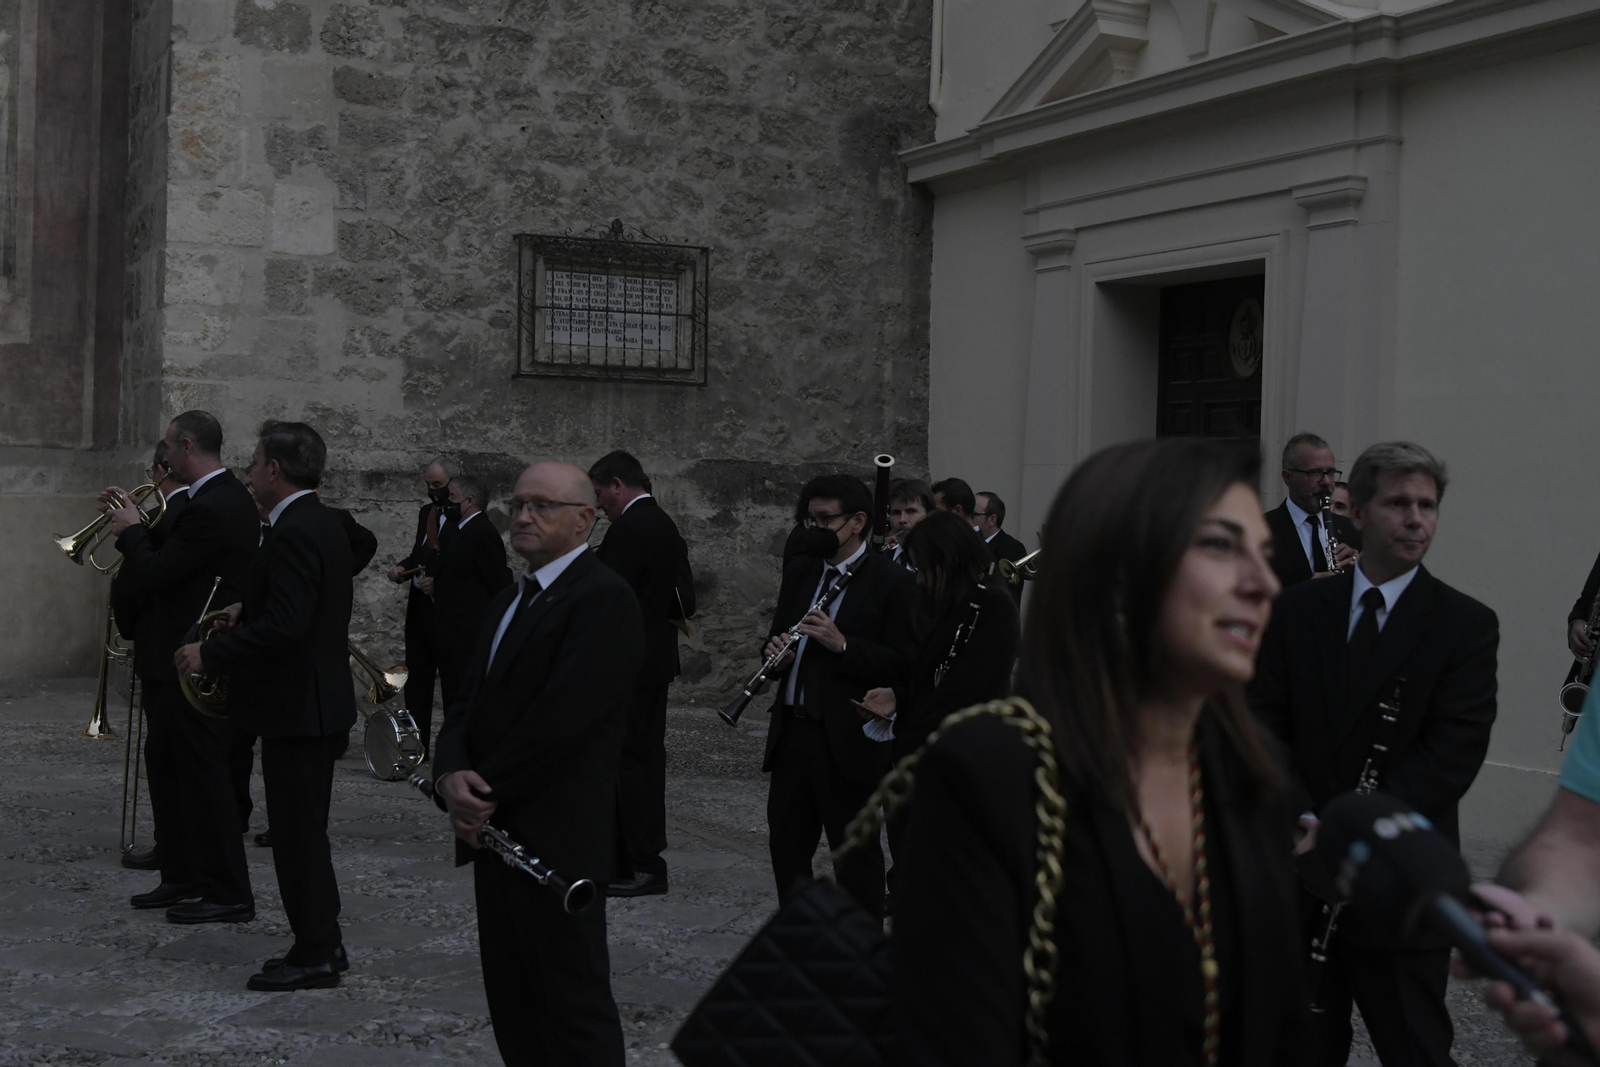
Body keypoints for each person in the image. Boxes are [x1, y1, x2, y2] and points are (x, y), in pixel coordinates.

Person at [894, 438, 1305, 1065]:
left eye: (1264, 554)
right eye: (1221, 547)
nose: (1264, 584)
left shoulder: (1252, 772)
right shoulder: (992, 773)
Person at [1251, 440, 1498, 1067]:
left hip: (1401, 878)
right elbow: (1262, 724)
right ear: (1356, 513)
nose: (1415, 520)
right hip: (1300, 874)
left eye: (1427, 506)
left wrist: (1352, 832)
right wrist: (1301, 815)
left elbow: (1453, 752)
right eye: (1397, 504)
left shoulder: (1464, 624)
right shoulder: (1298, 610)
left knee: (1415, 1047)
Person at [432, 462, 643, 1067]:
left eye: (542, 506)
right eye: (519, 504)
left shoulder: (603, 598)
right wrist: (450, 774)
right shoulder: (508, 598)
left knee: (571, 1001)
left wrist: (481, 790)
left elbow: (564, 718)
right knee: (514, 996)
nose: (523, 516)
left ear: (584, 519)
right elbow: (466, 702)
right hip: (495, 831)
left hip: (558, 831)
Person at [176, 421, 357, 991]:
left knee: (299, 840)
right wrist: (245, 611)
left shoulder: (295, 529)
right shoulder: (322, 521)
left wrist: (211, 652)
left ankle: (316, 952)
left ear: (274, 470)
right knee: (304, 836)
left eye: (254, 463)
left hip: (299, 710)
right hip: (313, 706)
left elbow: (287, 626)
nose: (250, 473)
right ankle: (323, 942)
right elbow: (303, 605)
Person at [103, 410, 259, 925]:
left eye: (168, 447)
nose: (164, 457)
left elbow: (159, 571)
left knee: (203, 775)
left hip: (193, 659)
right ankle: (182, 872)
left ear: (187, 446)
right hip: (170, 656)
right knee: (169, 765)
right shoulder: (200, 500)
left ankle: (227, 889)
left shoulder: (215, 505)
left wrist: (131, 531)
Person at [759, 474, 916, 917]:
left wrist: (843, 645)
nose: (816, 530)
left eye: (825, 520)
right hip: (793, 733)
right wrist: (774, 655)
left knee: (855, 859)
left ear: (857, 522)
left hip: (847, 739)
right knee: (786, 850)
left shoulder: (891, 580)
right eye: (811, 520)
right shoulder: (802, 570)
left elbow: (904, 664)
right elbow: (777, 634)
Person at [856, 510, 1019, 902]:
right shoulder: (943, 603)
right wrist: (897, 697)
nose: (920, 579)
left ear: (949, 561)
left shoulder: (991, 607)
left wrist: (907, 724)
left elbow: (965, 692)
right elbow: (930, 678)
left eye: (926, 569)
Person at [236, 491, 378, 849]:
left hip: (297, 671)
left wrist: (341, 573)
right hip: (263, 665)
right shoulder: (254, 528)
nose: (253, 493)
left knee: (302, 790)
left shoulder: (315, 524)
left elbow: (287, 620)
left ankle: (291, 827)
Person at [588, 450, 691, 898]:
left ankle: (642, 863)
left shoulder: (632, 527)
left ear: (617, 485)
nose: (598, 505)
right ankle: (630, 857)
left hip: (632, 663)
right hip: (650, 659)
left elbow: (603, 595)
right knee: (637, 758)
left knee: (635, 762)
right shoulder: (661, 523)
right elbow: (682, 596)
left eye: (600, 494)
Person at [108, 441, 190, 872]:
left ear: (162, 468)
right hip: (164, 646)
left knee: (166, 756)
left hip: (166, 647)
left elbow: (146, 573)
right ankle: (174, 846)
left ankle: (174, 848)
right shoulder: (173, 510)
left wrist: (132, 530)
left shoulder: (175, 512)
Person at [425, 474, 511, 714]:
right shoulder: (459, 530)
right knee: (453, 698)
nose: (447, 502)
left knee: (467, 701)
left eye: (452, 497)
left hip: (468, 637)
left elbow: (499, 582)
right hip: (452, 634)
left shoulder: (481, 532)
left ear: (469, 501)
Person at [388, 457, 457, 752]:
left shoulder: (464, 518)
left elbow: (461, 563)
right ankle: (417, 745)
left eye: (437, 484)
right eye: (428, 484)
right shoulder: (426, 514)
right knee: (417, 680)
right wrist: (403, 569)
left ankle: (453, 749)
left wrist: (440, 585)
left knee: (452, 681)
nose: (432, 490)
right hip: (420, 610)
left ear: (452, 483)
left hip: (447, 611)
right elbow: (421, 553)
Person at [1264, 433, 1359, 589]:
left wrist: (1359, 569)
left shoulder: (1351, 529)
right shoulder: (1262, 530)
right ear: (1288, 477)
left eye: (1330, 472)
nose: (1326, 482)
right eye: (1315, 473)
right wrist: (1307, 589)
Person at [975, 490, 1028, 604]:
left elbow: (1007, 593)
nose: (969, 518)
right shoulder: (972, 542)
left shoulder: (1013, 548)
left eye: (974, 514)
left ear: (992, 520)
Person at [885, 478, 933, 569]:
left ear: (929, 515)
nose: (902, 519)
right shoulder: (884, 559)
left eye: (911, 511)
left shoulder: (941, 561)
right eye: (896, 513)